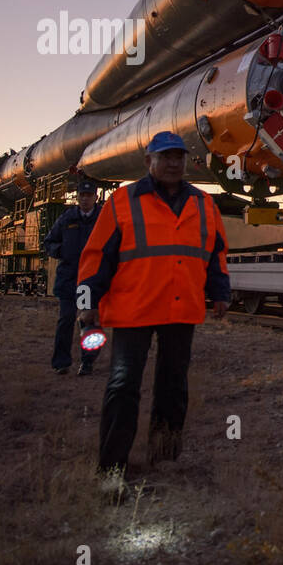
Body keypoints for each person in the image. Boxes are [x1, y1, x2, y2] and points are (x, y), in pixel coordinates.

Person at [76, 131, 232, 478]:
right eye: (166, 157)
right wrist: (87, 302)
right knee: (123, 384)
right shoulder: (122, 200)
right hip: (135, 309)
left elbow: (216, 252)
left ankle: (164, 457)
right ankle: (112, 466)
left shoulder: (204, 203)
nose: (174, 163)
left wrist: (220, 292)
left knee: (173, 384)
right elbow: (95, 257)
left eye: (179, 157)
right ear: (149, 161)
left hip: (181, 309)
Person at [44, 178, 103, 375]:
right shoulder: (67, 219)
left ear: (96, 197)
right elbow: (49, 242)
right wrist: (62, 251)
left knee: (88, 321)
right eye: (81, 195)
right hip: (69, 279)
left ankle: (87, 362)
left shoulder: (102, 219)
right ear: (77, 197)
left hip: (88, 281)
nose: (85, 199)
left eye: (89, 195)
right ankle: (61, 362)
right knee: (66, 319)